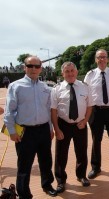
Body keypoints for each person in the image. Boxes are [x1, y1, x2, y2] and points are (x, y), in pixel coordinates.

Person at [3, 56, 57, 198]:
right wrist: (12, 131)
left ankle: (47, 184)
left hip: (44, 129)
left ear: (40, 68)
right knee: (24, 165)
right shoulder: (16, 86)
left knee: (46, 160)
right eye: (30, 65)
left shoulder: (45, 87)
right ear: (24, 67)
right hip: (25, 132)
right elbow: (9, 111)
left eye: (37, 66)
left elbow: (47, 110)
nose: (33, 69)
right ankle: (24, 193)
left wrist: (50, 128)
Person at [51, 62, 94, 193]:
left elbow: (89, 106)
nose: (70, 73)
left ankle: (81, 175)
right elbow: (53, 111)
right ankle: (60, 180)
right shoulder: (56, 89)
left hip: (80, 124)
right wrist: (56, 129)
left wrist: (85, 120)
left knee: (81, 152)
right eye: (67, 71)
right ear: (62, 73)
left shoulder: (85, 87)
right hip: (63, 124)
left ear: (76, 72)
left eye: (72, 71)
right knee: (61, 155)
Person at [84, 49, 109, 179]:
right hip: (96, 111)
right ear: (96, 60)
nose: (101, 59)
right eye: (99, 57)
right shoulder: (90, 75)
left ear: (108, 59)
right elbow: (85, 95)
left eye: (104, 57)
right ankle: (95, 167)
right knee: (96, 140)